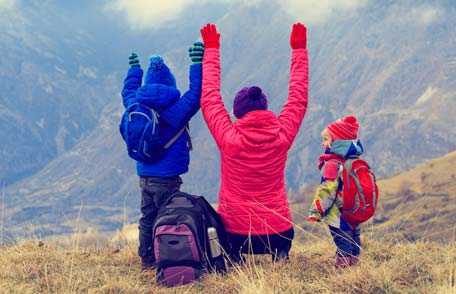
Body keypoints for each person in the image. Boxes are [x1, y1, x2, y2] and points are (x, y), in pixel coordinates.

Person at [199, 23, 309, 262]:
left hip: (236, 234)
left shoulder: (229, 138)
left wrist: (212, 49)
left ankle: (236, 259)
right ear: (265, 106)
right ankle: (280, 256)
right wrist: (299, 50)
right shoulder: (282, 135)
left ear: (237, 112)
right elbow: (298, 98)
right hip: (279, 233)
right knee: (281, 238)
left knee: (227, 238)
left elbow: (209, 98)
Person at [120, 42, 204, 271]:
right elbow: (196, 94)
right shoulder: (177, 110)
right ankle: (167, 256)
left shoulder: (135, 105)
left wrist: (134, 71)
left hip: (144, 176)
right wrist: (197, 62)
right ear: (171, 84)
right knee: (169, 217)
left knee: (147, 218)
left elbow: (127, 92)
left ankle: (147, 258)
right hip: (168, 178)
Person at [307, 115, 365, 268]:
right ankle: (355, 268)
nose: (323, 143)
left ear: (337, 141)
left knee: (342, 244)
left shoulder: (332, 164)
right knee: (354, 241)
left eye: (326, 139)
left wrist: (316, 211)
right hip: (355, 211)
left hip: (338, 215)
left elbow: (327, 190)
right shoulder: (355, 160)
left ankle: (343, 272)